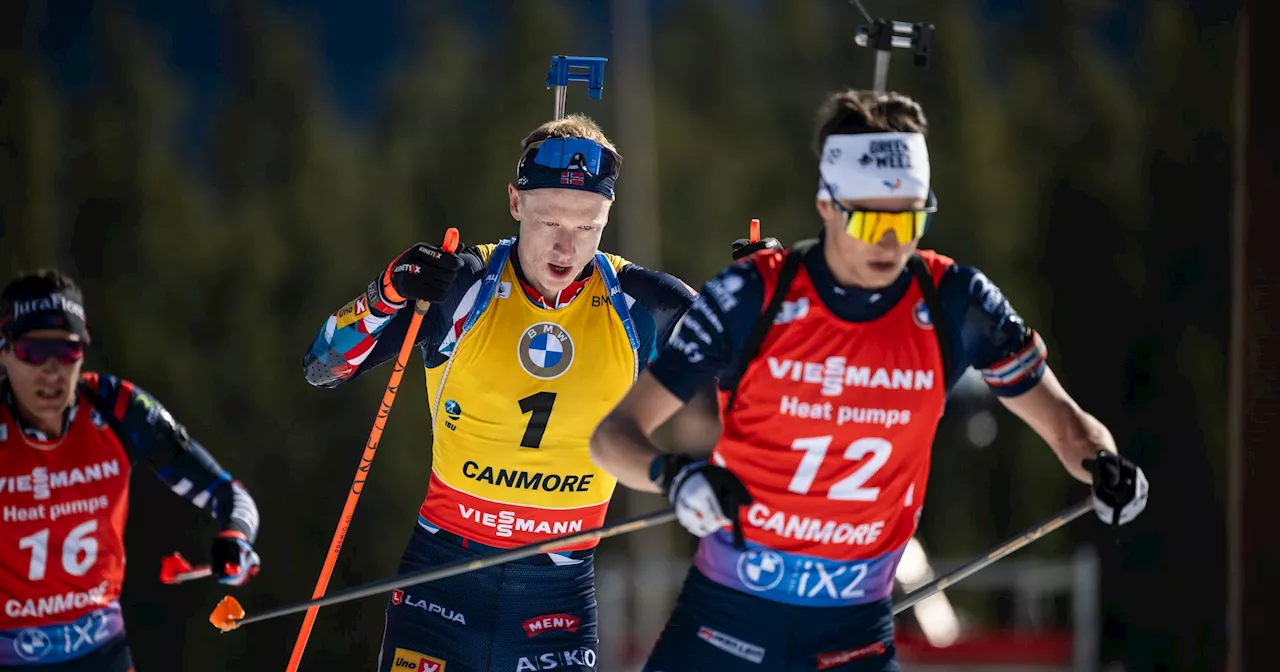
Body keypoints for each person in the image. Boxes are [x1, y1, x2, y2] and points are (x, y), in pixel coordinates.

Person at [588, 89, 1150, 672]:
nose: (891, 240)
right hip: (726, 618)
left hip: (852, 634)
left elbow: (1066, 426)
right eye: (871, 217)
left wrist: (1104, 465)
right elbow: (614, 437)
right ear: (827, 205)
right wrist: (675, 476)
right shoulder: (755, 295)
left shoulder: (955, 302)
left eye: (910, 217)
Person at [303, 113, 775, 672]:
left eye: (587, 226)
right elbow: (325, 366)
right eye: (549, 220)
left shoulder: (641, 305)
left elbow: (756, 394)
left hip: (557, 595)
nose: (565, 246)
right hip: (443, 578)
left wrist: (769, 311)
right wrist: (388, 291)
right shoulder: (463, 288)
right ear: (515, 203)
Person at [0, 269, 262, 672]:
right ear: (5, 350)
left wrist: (236, 538)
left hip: (101, 652)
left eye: (66, 350)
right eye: (35, 352)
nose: (51, 371)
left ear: (83, 351)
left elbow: (229, 494)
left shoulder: (116, 407)